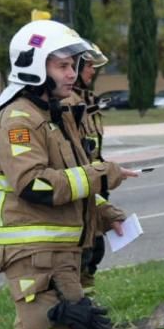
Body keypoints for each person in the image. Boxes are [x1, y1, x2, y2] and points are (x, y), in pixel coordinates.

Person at [0, 20, 161, 329]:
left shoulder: (55, 117)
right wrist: (104, 175)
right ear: (31, 67)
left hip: (56, 255)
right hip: (35, 258)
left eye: (71, 65)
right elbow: (36, 186)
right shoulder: (19, 121)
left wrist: (105, 213)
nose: (71, 73)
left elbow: (72, 187)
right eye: (62, 65)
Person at [64, 41, 122, 289]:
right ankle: (80, 306)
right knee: (83, 253)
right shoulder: (67, 104)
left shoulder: (86, 103)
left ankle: (85, 304)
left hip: (93, 185)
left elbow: (90, 151)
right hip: (81, 187)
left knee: (93, 251)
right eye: (88, 65)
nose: (92, 71)